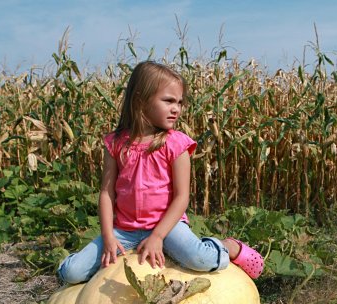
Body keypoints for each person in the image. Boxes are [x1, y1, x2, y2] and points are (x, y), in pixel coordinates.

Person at [57, 61, 263, 284]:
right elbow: (107, 193)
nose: (176, 108)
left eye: (180, 102)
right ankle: (62, 271)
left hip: (168, 225)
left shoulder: (176, 144)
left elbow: (181, 197)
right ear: (140, 100)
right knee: (72, 273)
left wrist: (157, 236)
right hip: (124, 230)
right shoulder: (116, 144)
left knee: (199, 259)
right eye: (168, 101)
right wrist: (108, 236)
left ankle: (228, 247)